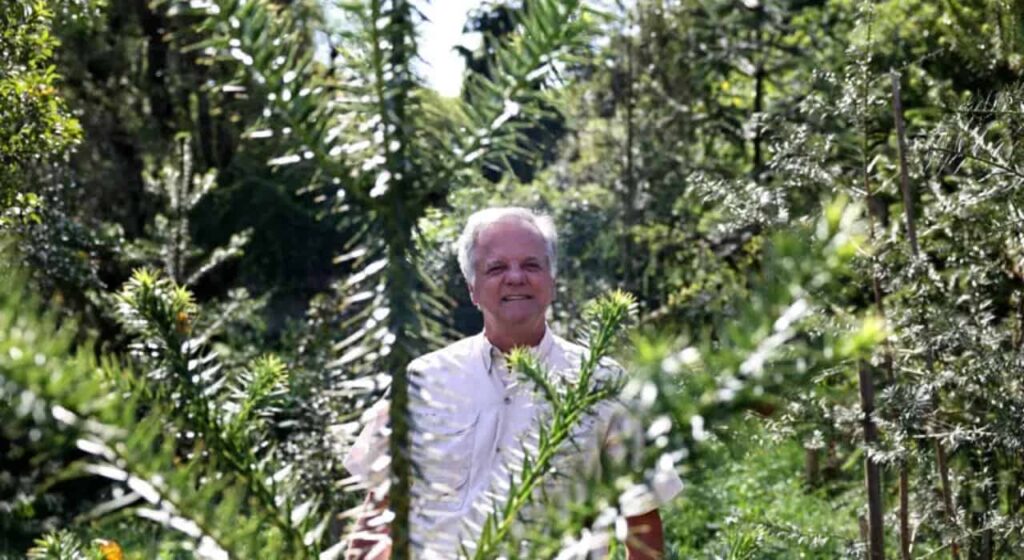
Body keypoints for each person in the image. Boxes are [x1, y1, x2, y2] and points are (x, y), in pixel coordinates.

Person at [343, 207, 682, 559]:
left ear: (552, 281)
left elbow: (641, 523)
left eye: (531, 265)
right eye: (496, 268)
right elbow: (377, 516)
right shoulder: (422, 381)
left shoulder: (603, 383)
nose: (516, 277)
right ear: (472, 287)